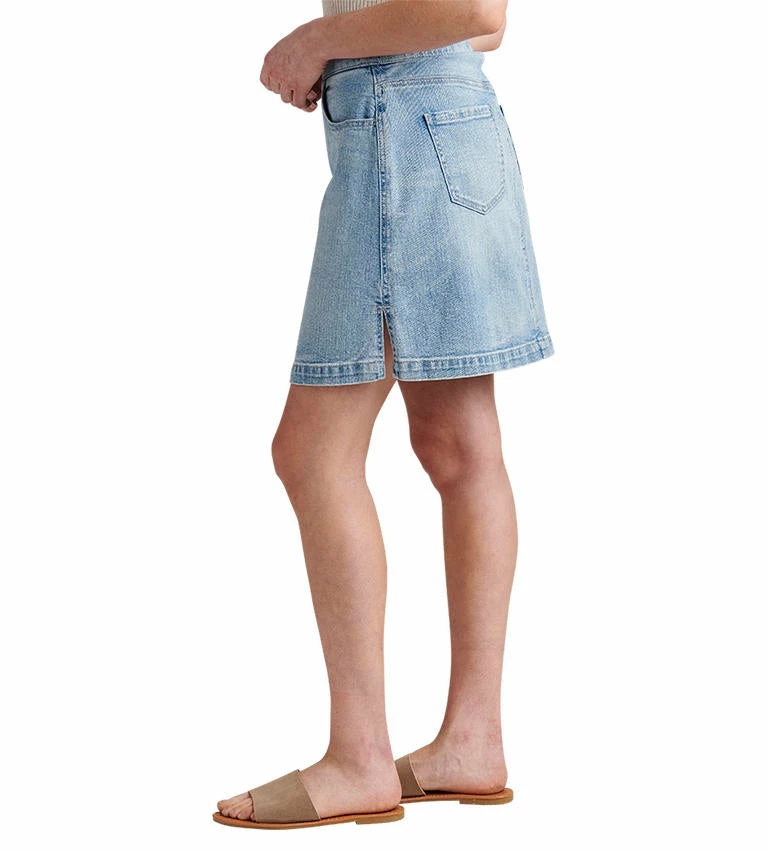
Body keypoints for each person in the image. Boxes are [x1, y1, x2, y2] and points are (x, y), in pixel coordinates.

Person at [214, 0, 554, 830]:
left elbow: (470, 8)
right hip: (449, 123)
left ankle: (359, 757)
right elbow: (488, 26)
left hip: (400, 136)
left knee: (313, 453)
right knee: (459, 448)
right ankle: (471, 742)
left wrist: (316, 41)